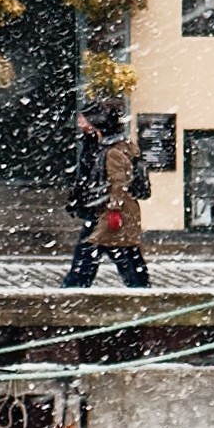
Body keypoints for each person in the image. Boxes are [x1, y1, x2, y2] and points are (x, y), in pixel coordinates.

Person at [61, 102, 152, 290]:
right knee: (123, 251)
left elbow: (117, 183)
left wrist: (114, 209)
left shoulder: (111, 151)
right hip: (109, 210)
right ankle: (140, 288)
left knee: (95, 250)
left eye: (83, 118)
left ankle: (75, 289)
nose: (79, 122)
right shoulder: (110, 145)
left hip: (109, 212)